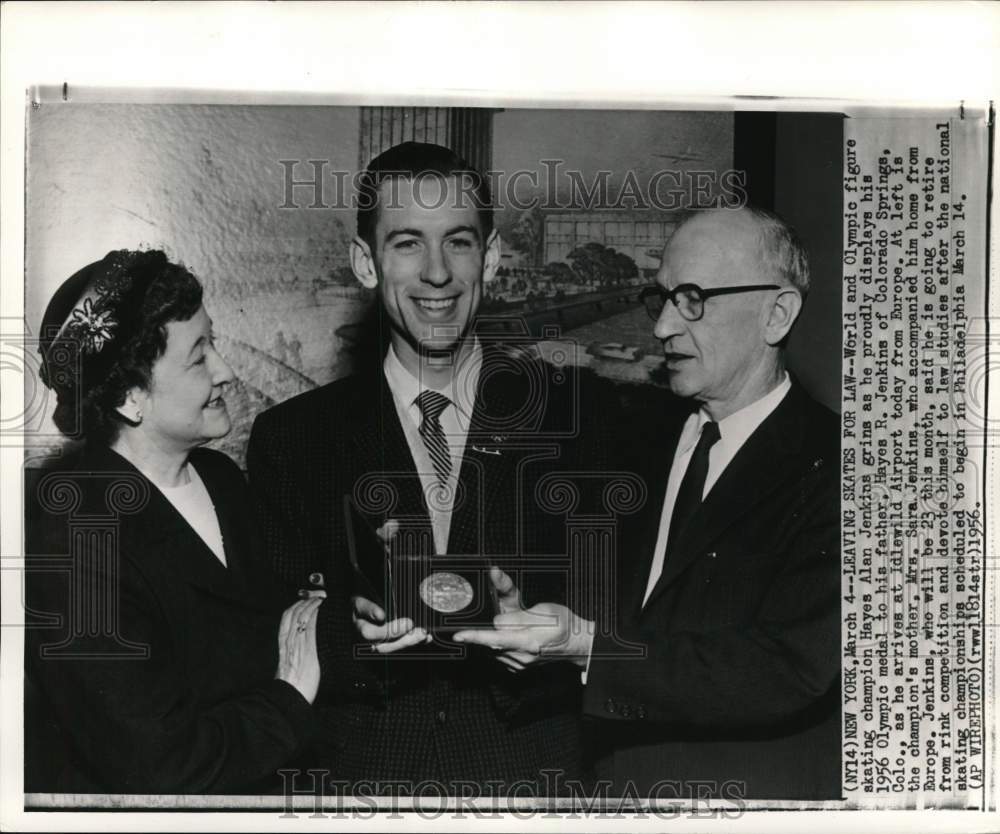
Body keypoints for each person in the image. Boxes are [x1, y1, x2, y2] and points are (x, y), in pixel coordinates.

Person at [455, 206, 841, 800]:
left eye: (692, 299)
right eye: (659, 299)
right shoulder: (638, 439)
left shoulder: (843, 468)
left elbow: (787, 670)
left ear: (778, 313)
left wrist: (589, 648)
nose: (662, 327)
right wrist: (527, 629)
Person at [248, 142, 590, 794]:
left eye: (458, 242)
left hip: (530, 786)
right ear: (365, 262)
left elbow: (625, 616)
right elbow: (262, 633)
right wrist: (350, 631)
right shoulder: (293, 438)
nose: (438, 272)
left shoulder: (573, 420)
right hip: (359, 786)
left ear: (489, 257)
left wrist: (538, 631)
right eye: (407, 243)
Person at [25, 250, 324, 794]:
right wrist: (289, 700)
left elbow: (279, 628)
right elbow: (160, 766)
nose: (226, 371)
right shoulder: (76, 543)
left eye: (214, 342)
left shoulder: (220, 478)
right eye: (197, 357)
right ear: (130, 397)